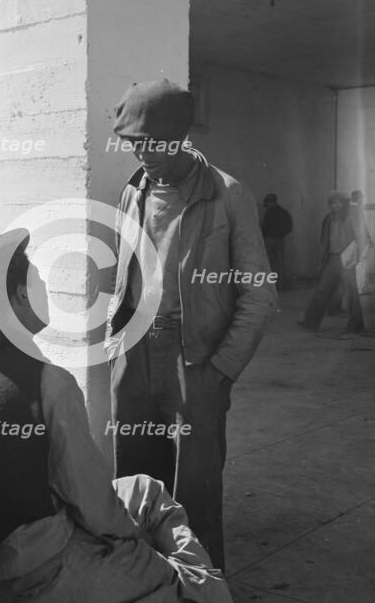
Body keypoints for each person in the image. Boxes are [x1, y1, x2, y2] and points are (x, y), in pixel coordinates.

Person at [0, 228, 232, 603]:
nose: (44, 286)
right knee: (202, 586)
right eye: (39, 278)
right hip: (47, 569)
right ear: (21, 295)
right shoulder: (50, 381)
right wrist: (141, 546)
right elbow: (94, 507)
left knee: (146, 490)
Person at [106, 78, 277, 571]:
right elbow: (126, 272)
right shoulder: (132, 192)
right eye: (134, 144)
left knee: (193, 492)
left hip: (194, 361)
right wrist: (117, 343)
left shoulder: (227, 195)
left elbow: (260, 294)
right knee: (133, 483)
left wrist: (219, 370)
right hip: (133, 354)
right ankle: (140, 580)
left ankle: (199, 584)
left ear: (180, 136)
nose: (142, 155)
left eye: (151, 143)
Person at [298, 191, 367, 334]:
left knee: (352, 292)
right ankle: (311, 322)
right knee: (322, 291)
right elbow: (326, 241)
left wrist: (358, 257)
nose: (335, 206)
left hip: (347, 258)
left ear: (344, 203)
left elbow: (360, 237)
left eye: (339, 202)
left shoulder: (351, 216)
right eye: (332, 203)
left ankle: (356, 324)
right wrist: (323, 261)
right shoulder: (329, 218)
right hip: (333, 258)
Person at [261, 193, 293, 291]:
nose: (266, 206)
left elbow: (264, 228)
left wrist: (264, 237)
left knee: (269, 263)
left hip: (269, 240)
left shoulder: (269, 213)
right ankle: (281, 286)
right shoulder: (284, 212)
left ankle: (271, 286)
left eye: (267, 204)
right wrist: (281, 234)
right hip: (280, 240)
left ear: (270, 202)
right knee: (280, 264)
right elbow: (289, 227)